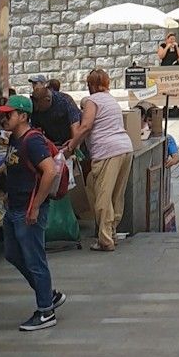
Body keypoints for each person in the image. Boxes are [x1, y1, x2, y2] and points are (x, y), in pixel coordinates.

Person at [0, 96, 65, 332]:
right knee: (13, 253)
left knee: (34, 259)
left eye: (9, 114)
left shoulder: (32, 140)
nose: (4, 118)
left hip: (27, 209)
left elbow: (50, 171)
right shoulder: (14, 139)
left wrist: (35, 206)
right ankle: (48, 294)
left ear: (23, 116)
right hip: (15, 207)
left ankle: (46, 310)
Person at [65, 68, 133, 252]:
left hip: (107, 152)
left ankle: (105, 239)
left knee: (102, 195)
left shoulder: (92, 101)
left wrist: (71, 146)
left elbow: (86, 126)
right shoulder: (111, 99)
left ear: (92, 85)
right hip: (125, 148)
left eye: (89, 84)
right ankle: (111, 232)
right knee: (116, 196)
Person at [27, 76, 80, 147]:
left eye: (39, 106)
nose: (38, 109)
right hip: (52, 142)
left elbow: (75, 125)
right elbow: (35, 129)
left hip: (69, 138)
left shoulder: (64, 100)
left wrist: (73, 145)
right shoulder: (35, 106)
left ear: (47, 100)